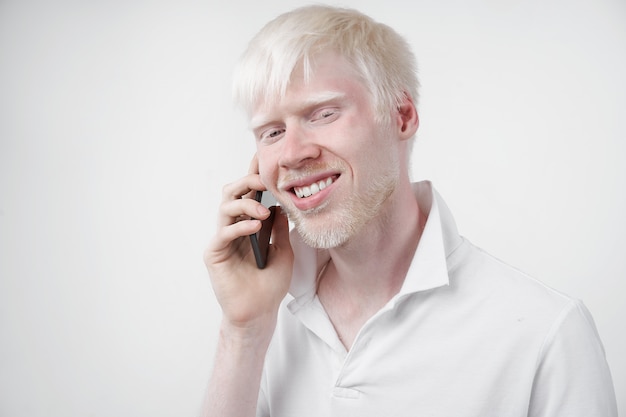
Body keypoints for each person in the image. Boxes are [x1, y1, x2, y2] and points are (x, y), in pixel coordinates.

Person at [202, 5, 617, 417]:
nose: (291, 153)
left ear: (401, 116)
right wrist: (243, 331)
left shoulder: (548, 333)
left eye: (323, 113)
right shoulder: (265, 314)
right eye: (272, 132)